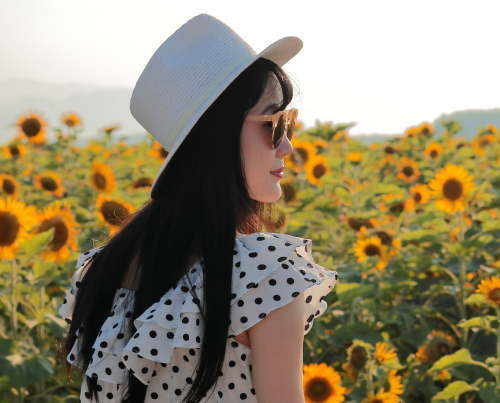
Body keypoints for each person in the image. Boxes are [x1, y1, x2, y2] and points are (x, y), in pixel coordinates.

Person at [57, 14, 338, 403]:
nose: (287, 145)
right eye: (274, 122)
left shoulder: (99, 270)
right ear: (216, 136)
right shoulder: (264, 277)